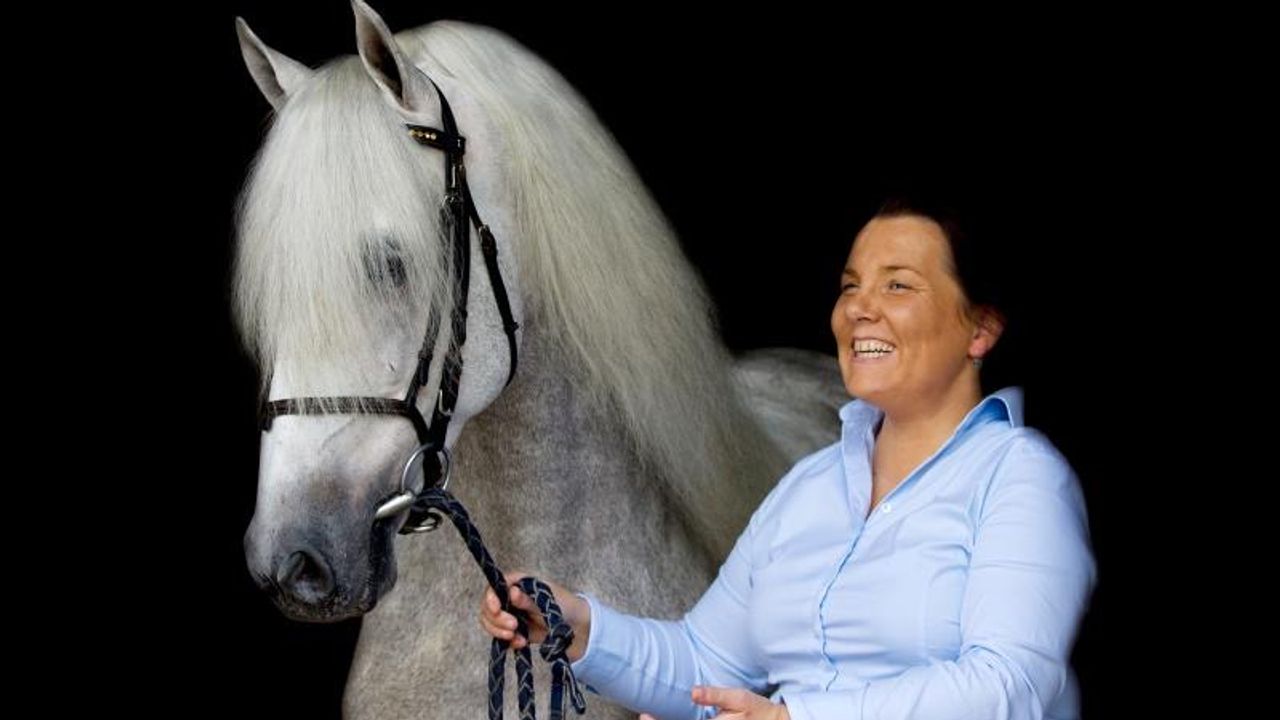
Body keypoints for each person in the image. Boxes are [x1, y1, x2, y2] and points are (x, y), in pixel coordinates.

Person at [479, 194, 1097, 720]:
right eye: (850, 286)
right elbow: (704, 662)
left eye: (898, 285)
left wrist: (794, 716)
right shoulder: (809, 486)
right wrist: (577, 626)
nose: (858, 307)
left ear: (981, 329)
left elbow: (1011, 686)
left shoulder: (1019, 477)